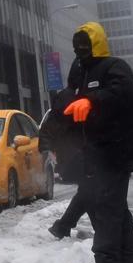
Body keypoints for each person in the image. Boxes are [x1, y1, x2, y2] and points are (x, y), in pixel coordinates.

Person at [61, 22, 133, 263]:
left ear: (96, 43)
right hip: (97, 151)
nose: (79, 50)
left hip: (117, 150)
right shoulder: (81, 69)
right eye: (76, 46)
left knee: (106, 208)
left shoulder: (115, 67)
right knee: (115, 207)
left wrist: (93, 100)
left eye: (84, 45)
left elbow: (122, 93)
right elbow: (70, 96)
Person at [41, 86, 89, 239]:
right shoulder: (73, 98)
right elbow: (50, 128)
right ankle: (64, 226)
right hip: (77, 154)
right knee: (91, 191)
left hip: (75, 153)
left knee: (88, 191)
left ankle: (63, 226)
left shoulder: (68, 97)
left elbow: (48, 128)